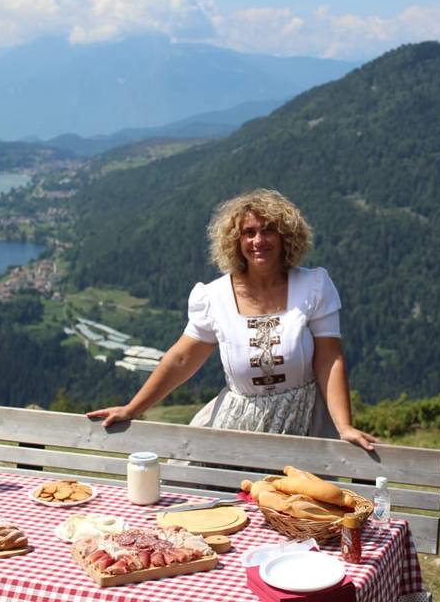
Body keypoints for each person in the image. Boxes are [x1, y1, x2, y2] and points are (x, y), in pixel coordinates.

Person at [86, 188, 379, 450]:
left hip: (305, 422)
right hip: (237, 425)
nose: (258, 240)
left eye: (268, 231)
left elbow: (330, 359)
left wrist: (343, 426)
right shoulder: (214, 298)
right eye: (248, 233)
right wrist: (133, 408)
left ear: (285, 236)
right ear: (235, 241)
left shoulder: (313, 287)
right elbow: (182, 360)